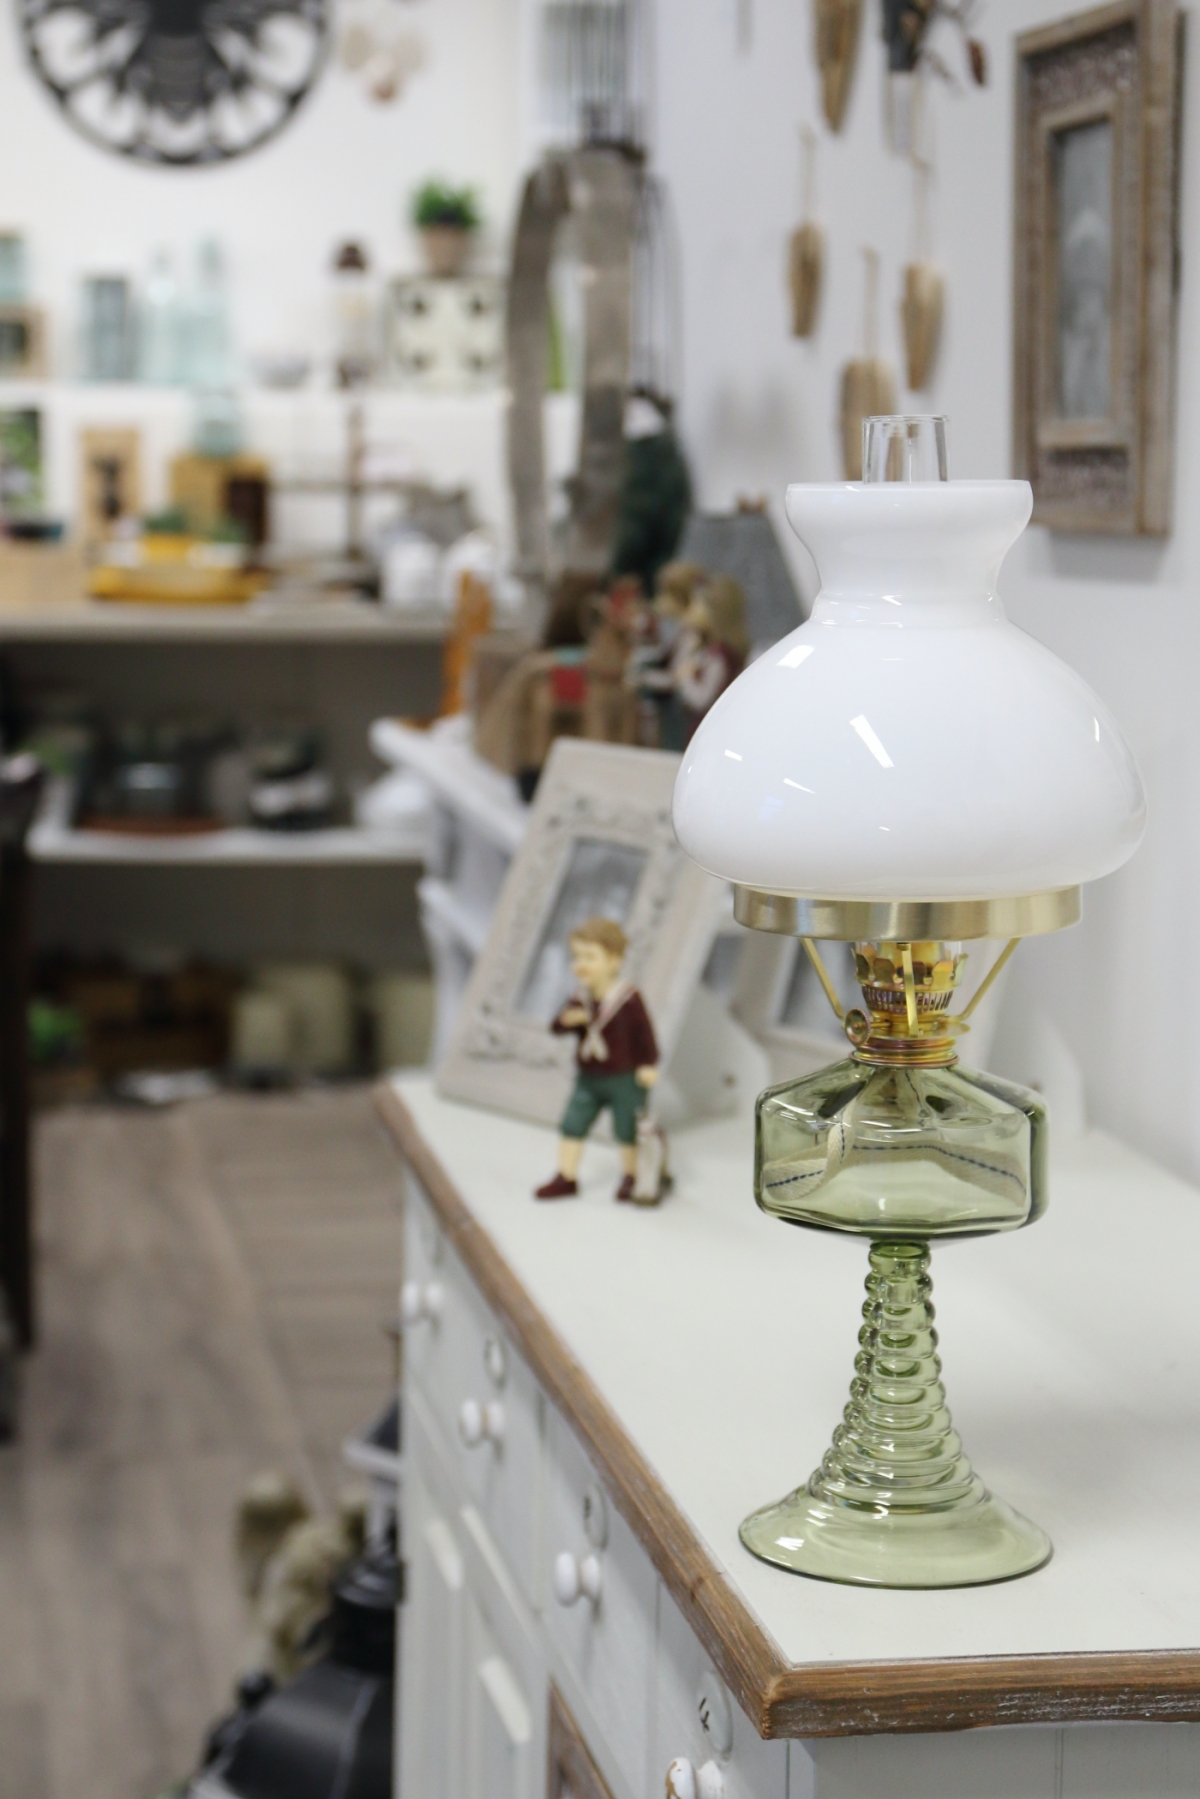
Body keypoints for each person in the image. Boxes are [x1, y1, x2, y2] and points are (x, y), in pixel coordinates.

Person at [534, 916, 659, 1203]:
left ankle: (631, 1175)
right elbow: (556, 1027)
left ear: (613, 961)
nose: (581, 964)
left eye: (590, 957)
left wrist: (648, 1063)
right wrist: (568, 1020)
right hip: (589, 1077)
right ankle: (566, 1176)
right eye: (577, 957)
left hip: (624, 1077)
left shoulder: (627, 998)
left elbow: (644, 1035)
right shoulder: (581, 997)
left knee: (626, 1129)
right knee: (572, 1123)